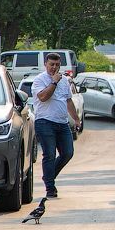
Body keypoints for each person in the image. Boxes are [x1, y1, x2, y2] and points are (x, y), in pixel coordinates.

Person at [31, 52, 81, 199]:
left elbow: (68, 101)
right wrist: (53, 82)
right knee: (50, 154)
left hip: (62, 123)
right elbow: (43, 97)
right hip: (45, 122)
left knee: (67, 153)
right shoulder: (39, 80)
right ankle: (50, 188)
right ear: (46, 64)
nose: (54, 67)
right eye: (51, 64)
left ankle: (48, 176)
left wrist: (76, 119)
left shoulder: (64, 80)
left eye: (57, 65)